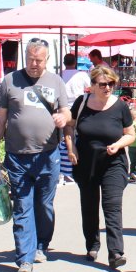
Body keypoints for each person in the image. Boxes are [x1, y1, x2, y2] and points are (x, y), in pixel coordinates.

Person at [0, 41, 71, 272]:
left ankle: (41, 244)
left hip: (48, 155)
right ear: (25, 56)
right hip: (17, 156)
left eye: (39, 60)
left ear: (47, 60)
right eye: (30, 59)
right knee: (23, 206)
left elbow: (67, 111)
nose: (34, 65)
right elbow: (1, 118)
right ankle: (24, 259)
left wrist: (62, 118)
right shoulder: (10, 81)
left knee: (44, 205)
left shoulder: (56, 81)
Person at [65, 66, 135, 268]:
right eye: (103, 84)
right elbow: (69, 125)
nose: (108, 88)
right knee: (89, 206)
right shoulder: (82, 103)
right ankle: (92, 244)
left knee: (112, 207)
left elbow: (130, 134)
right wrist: (71, 148)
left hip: (113, 163)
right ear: (92, 86)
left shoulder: (120, 106)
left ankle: (116, 252)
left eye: (111, 84)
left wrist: (119, 144)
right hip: (86, 163)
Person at [59, 53, 90, 186]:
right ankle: (70, 169)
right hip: (78, 107)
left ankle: (64, 170)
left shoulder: (59, 75)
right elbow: (89, 88)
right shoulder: (82, 74)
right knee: (74, 138)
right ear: (75, 62)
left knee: (64, 139)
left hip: (63, 107)